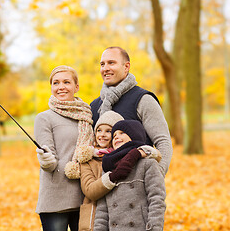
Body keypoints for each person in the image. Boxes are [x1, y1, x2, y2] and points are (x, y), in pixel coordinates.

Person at [91, 46, 173, 175]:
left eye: (111, 63)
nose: (105, 68)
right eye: (102, 64)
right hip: (101, 187)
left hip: (135, 185)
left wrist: (155, 176)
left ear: (126, 67)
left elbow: (163, 141)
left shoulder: (143, 99)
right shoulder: (95, 106)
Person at [34, 65, 94, 231]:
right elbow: (50, 163)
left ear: (76, 87)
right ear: (51, 87)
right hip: (56, 199)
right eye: (56, 83)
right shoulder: (44, 118)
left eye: (66, 82)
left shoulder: (87, 116)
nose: (61, 87)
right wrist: (46, 160)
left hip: (85, 197)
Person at [79, 111, 161, 231]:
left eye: (122, 133)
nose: (116, 136)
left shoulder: (148, 163)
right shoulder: (108, 167)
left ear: (134, 135)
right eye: (115, 134)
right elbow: (103, 209)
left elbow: (156, 199)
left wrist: (154, 227)